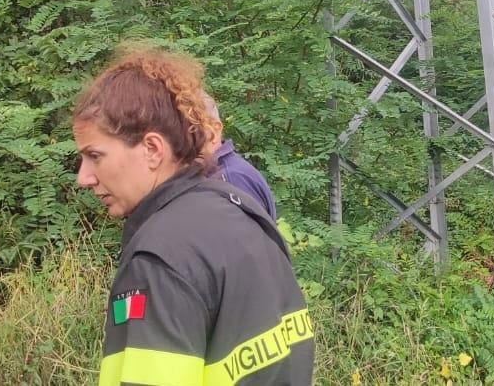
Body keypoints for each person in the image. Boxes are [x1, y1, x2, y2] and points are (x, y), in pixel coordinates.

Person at [73, 46, 314, 386]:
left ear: (153, 149)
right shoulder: (240, 210)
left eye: (95, 156)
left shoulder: (160, 259)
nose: (84, 177)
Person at [204, 96, 278, 221]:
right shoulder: (216, 173)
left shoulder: (232, 179)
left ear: (215, 129)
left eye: (192, 128)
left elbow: (252, 239)